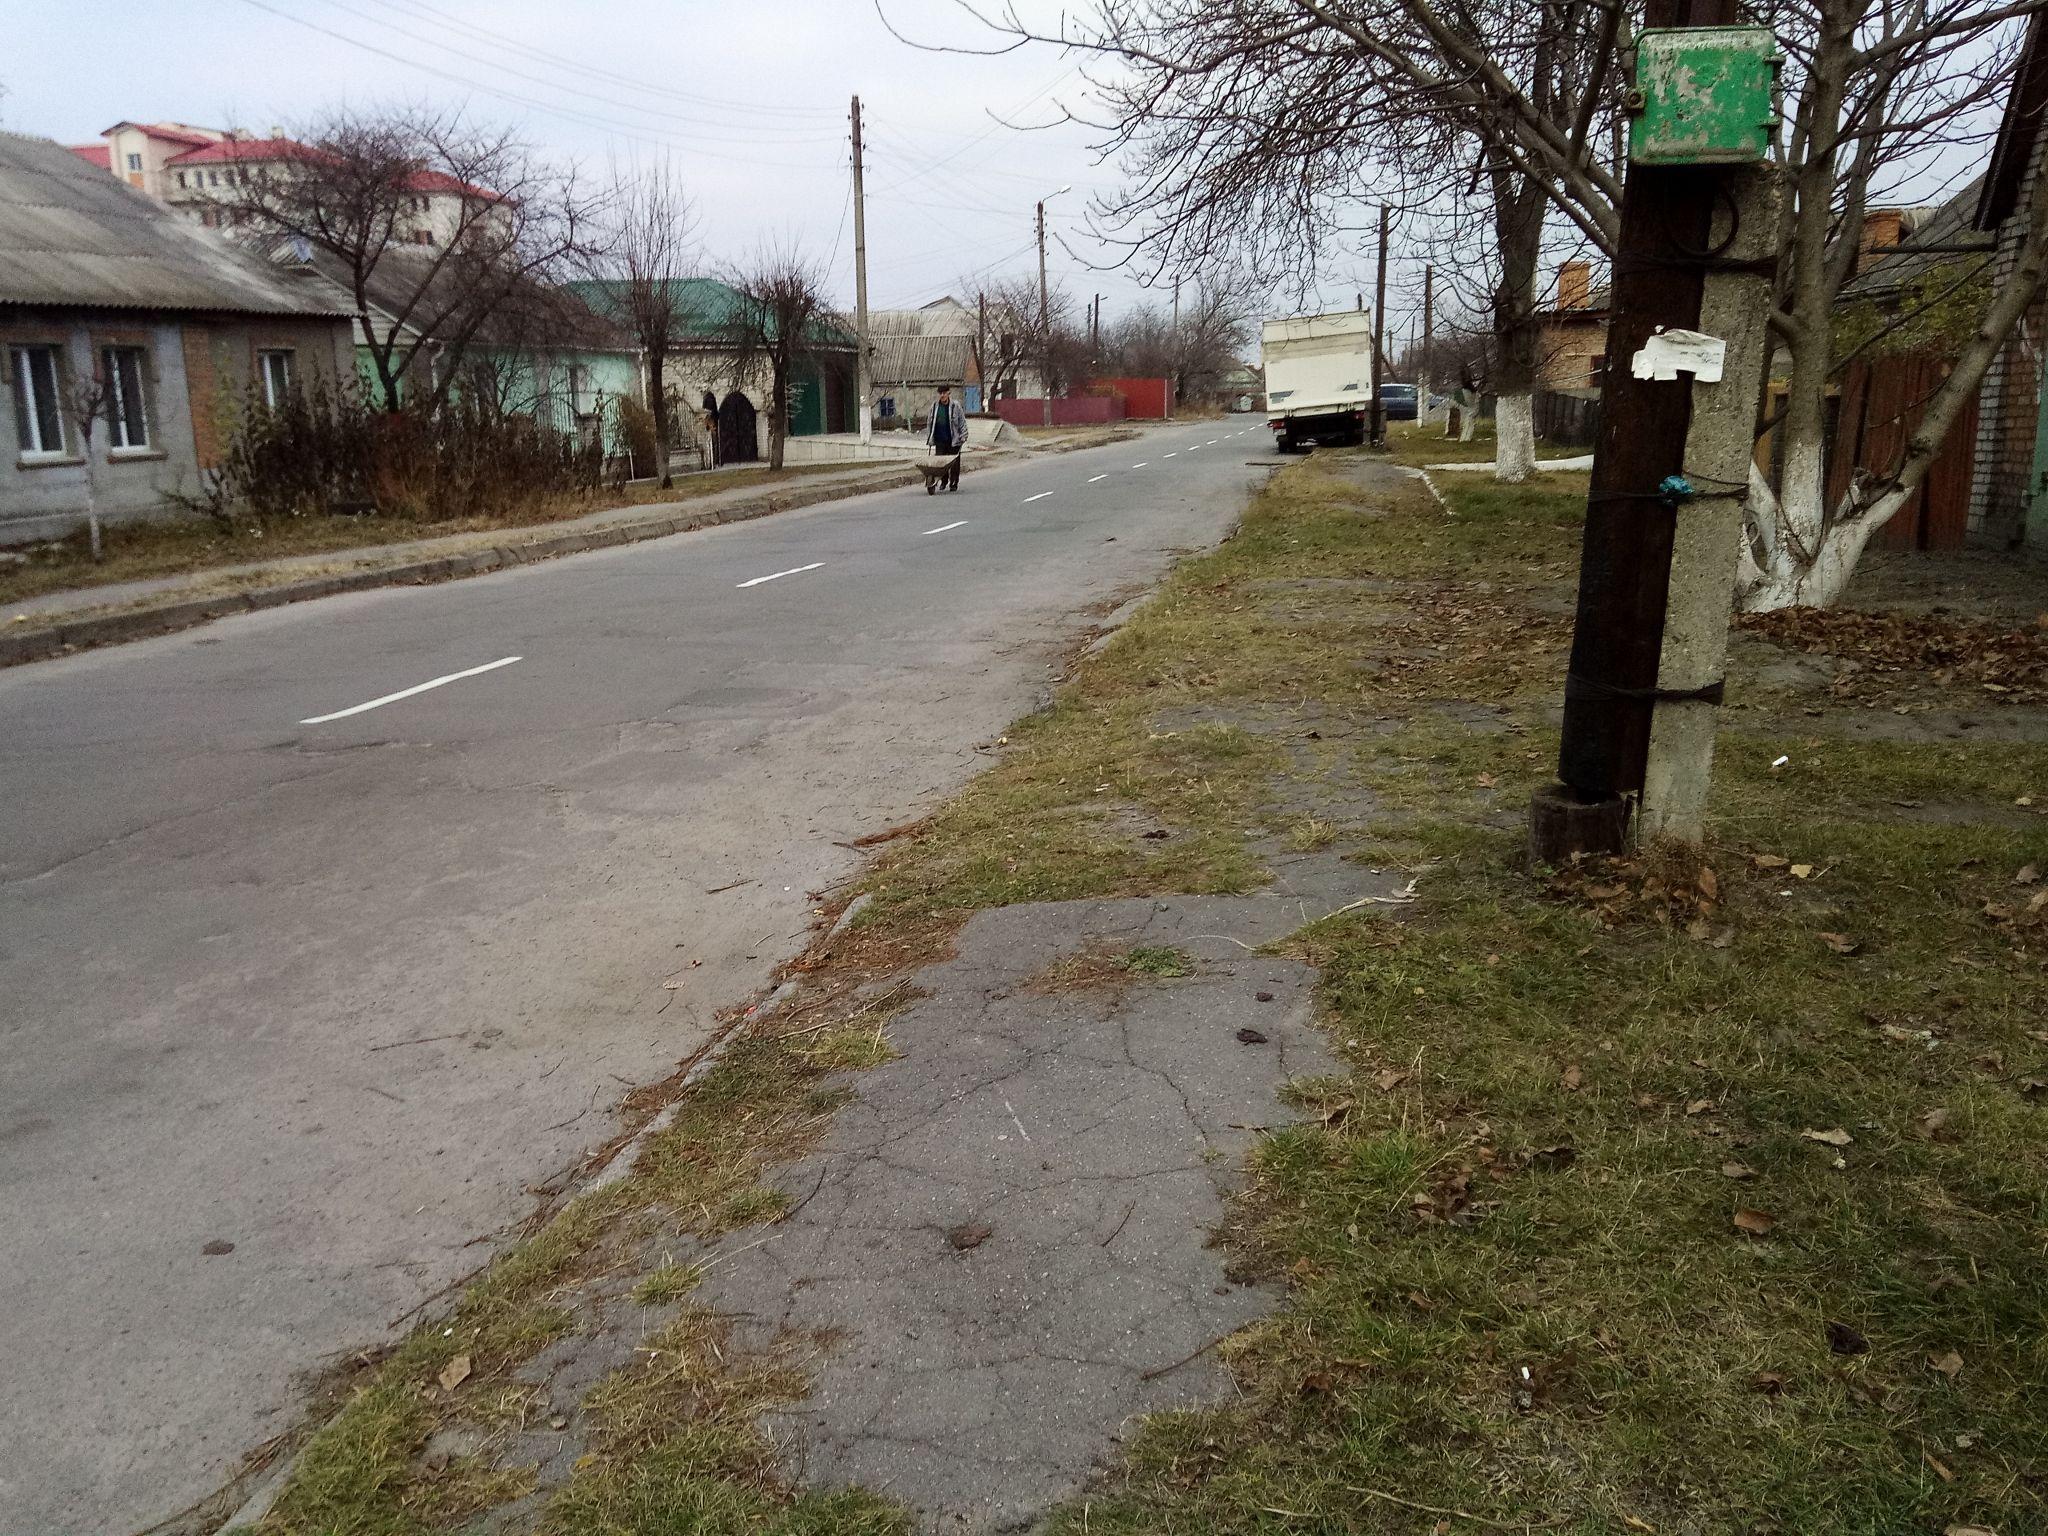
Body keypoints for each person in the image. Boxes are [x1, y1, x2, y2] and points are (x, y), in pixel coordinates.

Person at [925, 386, 966, 491]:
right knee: (941, 463)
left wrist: (963, 435)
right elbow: (930, 422)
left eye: (944, 393)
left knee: (954, 463)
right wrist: (930, 437)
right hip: (939, 439)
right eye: (940, 393)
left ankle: (954, 483)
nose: (942, 395)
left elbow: (962, 421)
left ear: (949, 393)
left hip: (954, 439)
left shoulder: (955, 406)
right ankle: (944, 481)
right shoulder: (935, 406)